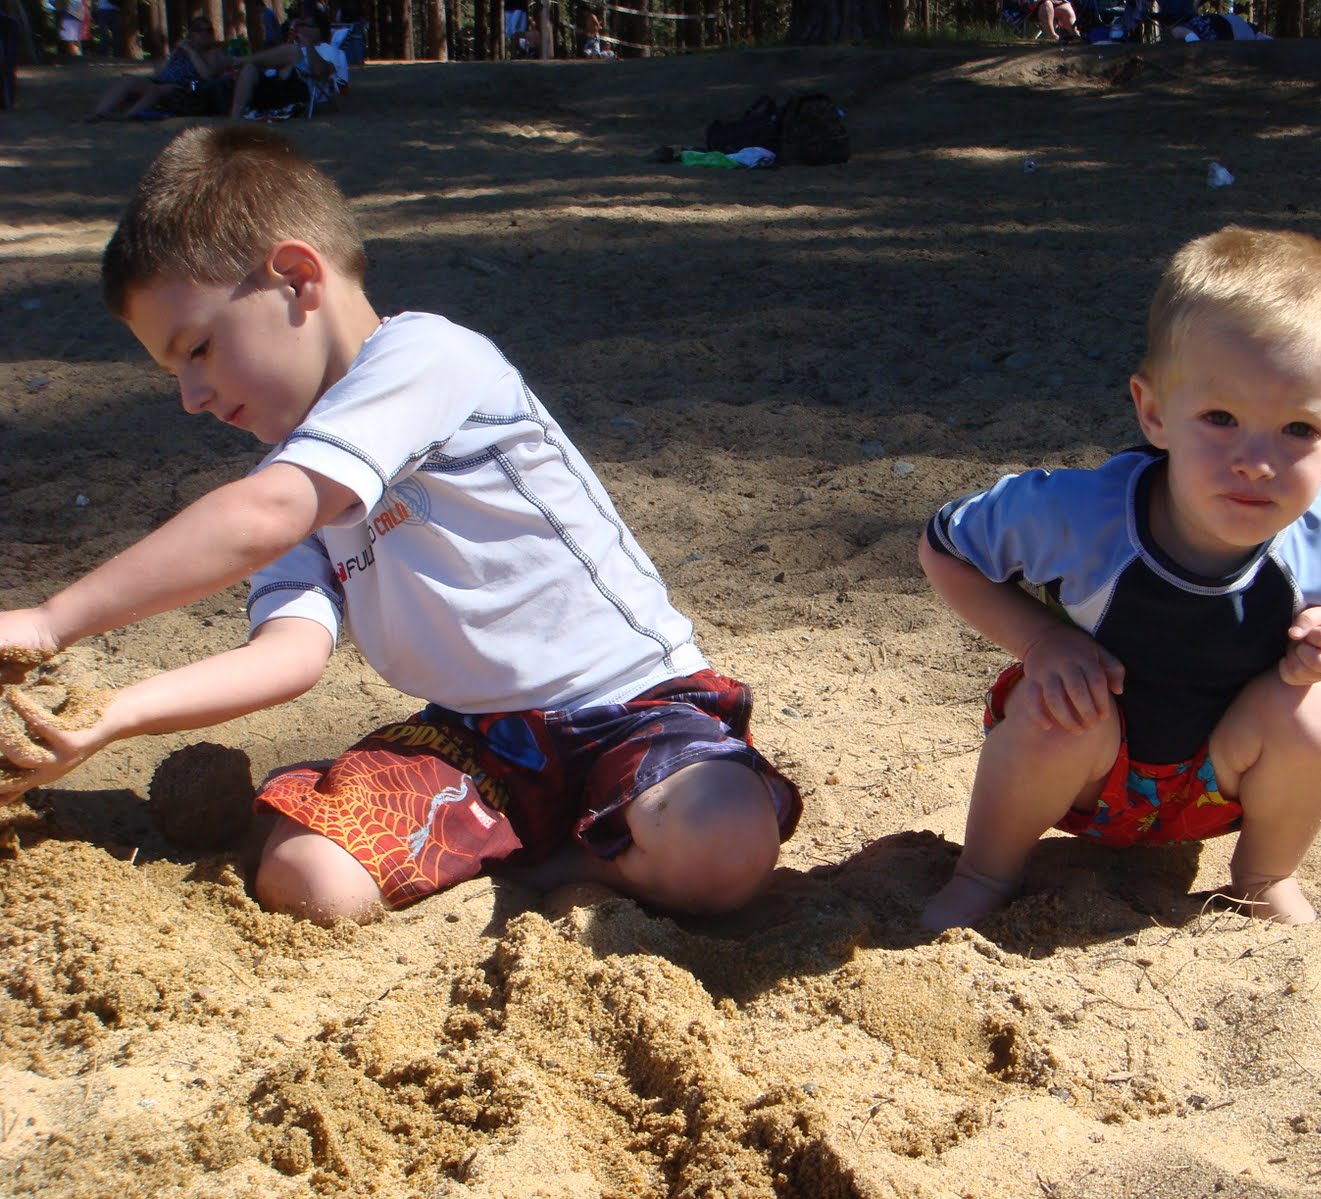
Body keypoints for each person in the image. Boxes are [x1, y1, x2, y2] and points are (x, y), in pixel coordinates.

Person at [0, 125, 800, 925]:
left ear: (296, 280)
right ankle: (568, 853)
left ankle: (553, 857)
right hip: (476, 745)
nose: (191, 397)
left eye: (199, 349)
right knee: (309, 881)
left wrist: (52, 620)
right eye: (173, 371)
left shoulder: (428, 358)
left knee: (719, 841)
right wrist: (114, 715)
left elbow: (266, 515)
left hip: (629, 709)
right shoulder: (293, 483)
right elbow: (287, 656)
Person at [919, 226, 1321, 932]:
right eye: (1220, 418)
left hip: (1222, 781)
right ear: (1154, 412)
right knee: (1057, 703)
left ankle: (1266, 876)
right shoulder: (1080, 516)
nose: (1256, 461)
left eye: (1298, 429)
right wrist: (1041, 642)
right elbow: (944, 546)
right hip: (1087, 771)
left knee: (1320, 702)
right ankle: (983, 872)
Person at [84, 16, 229, 121]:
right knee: (128, 80)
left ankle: (126, 116)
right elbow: (159, 72)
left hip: (184, 88)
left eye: (208, 31)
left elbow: (207, 75)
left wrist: (192, 52)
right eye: (199, 30)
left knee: (155, 90)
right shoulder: (182, 51)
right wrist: (174, 54)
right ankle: (99, 113)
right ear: (191, 34)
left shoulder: (213, 53)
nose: (204, 34)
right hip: (160, 81)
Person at [227, 14, 344, 119]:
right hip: (276, 86)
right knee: (249, 69)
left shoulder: (330, 50)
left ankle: (237, 61)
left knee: (292, 51)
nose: (299, 27)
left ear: (318, 30)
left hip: (300, 91)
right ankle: (234, 122)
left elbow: (320, 72)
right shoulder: (296, 46)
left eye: (304, 25)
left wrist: (308, 45)